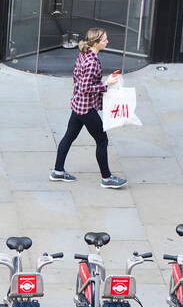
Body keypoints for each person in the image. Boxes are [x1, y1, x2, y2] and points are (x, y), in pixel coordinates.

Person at [50, 28, 127, 189]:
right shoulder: (92, 61)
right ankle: (107, 178)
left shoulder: (84, 54)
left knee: (69, 137)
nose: (108, 41)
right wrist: (106, 84)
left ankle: (58, 171)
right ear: (96, 42)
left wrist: (105, 81)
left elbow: (80, 79)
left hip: (78, 104)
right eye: (105, 39)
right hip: (86, 108)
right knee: (102, 140)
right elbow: (86, 87)